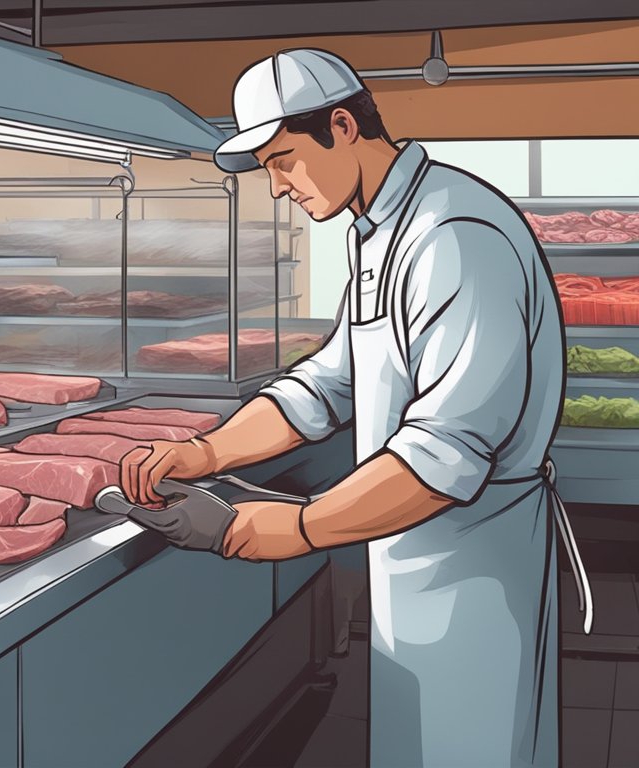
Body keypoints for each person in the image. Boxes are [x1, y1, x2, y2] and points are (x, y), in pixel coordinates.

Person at [120, 48, 585, 767]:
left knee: (477, 747)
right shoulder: (378, 234)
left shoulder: (453, 236)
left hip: (477, 560)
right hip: (409, 552)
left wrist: (300, 527)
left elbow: (446, 454)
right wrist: (208, 452)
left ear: (342, 126)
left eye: (283, 161)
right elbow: (326, 386)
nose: (277, 189)